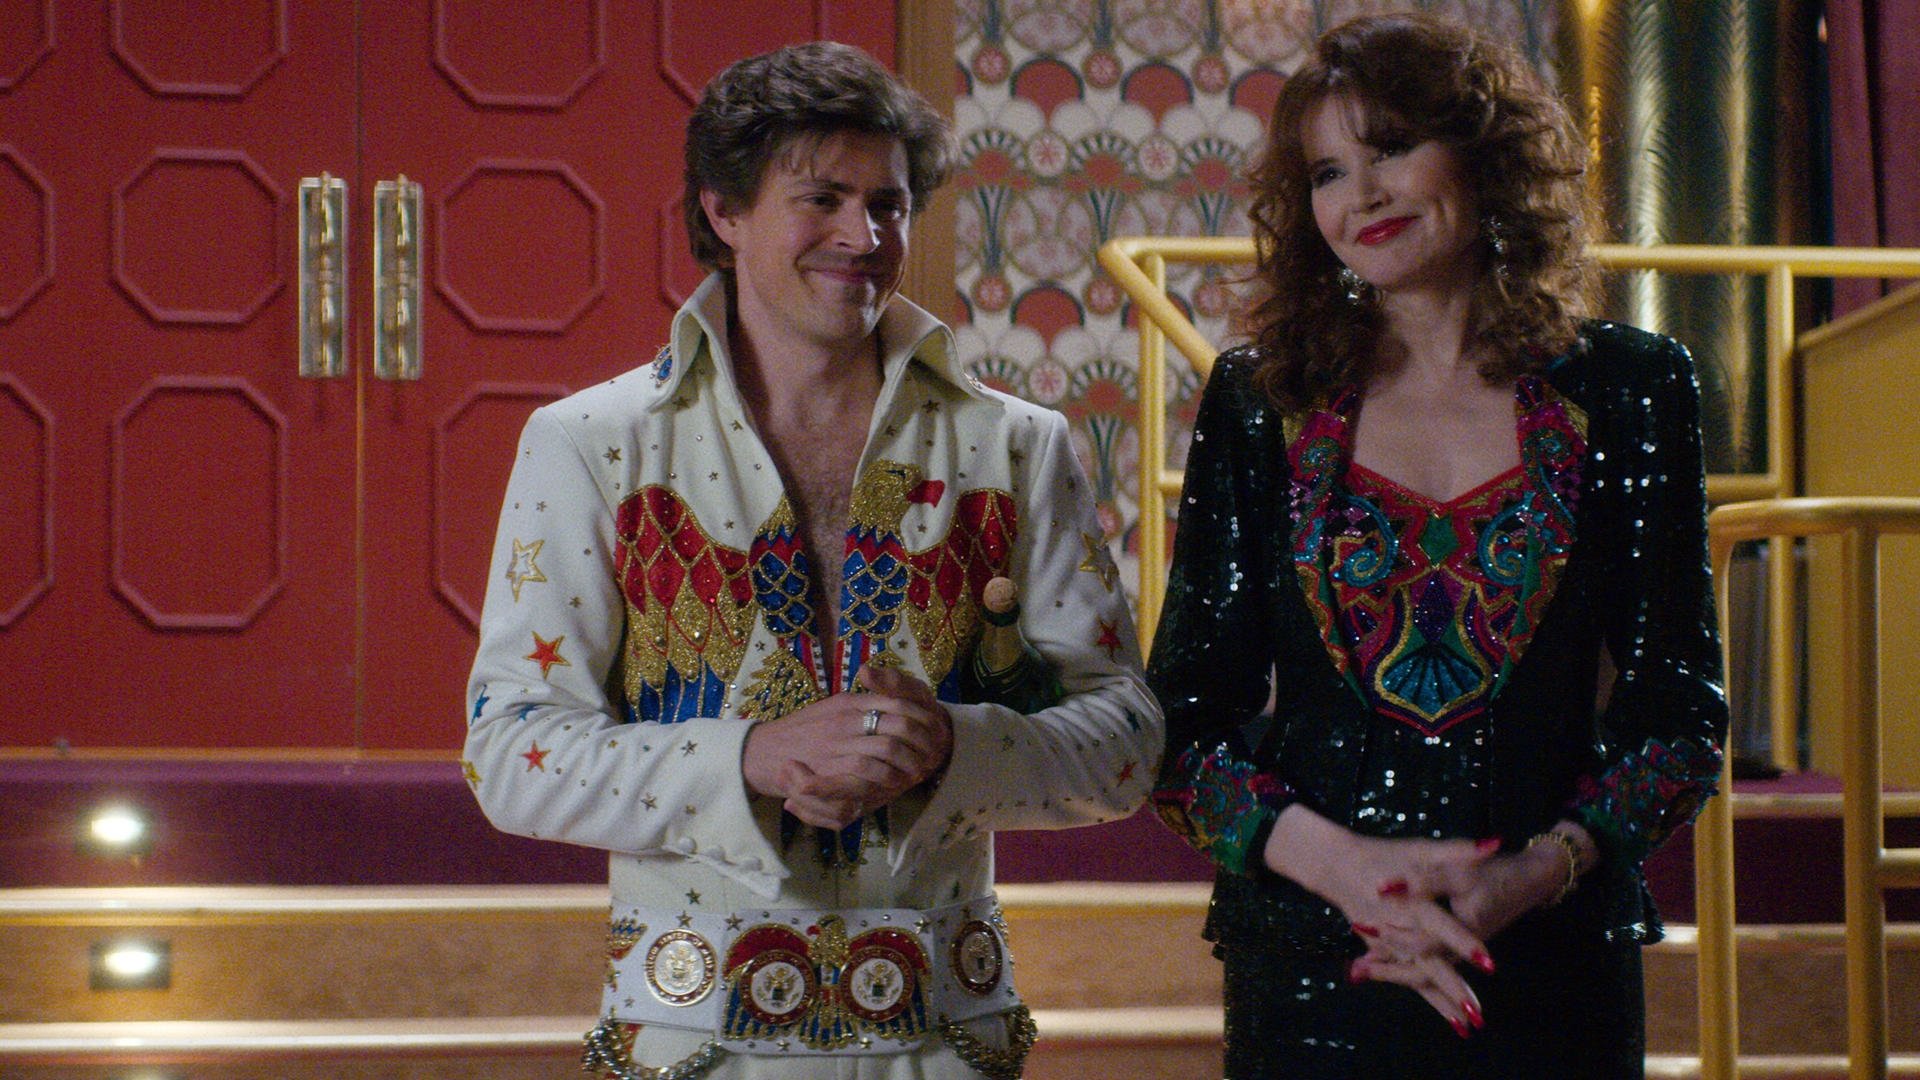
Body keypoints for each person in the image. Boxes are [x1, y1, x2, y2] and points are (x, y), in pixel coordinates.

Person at [462, 41, 1161, 1080]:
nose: (862, 237)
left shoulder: (1016, 445)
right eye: (822, 198)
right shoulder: (591, 444)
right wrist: (748, 759)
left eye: (888, 204)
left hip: (946, 1042)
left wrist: (954, 747)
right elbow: (509, 751)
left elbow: (1128, 741)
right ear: (724, 212)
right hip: (690, 1046)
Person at [1147, 13, 1728, 1079]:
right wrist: (1348, 872)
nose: (1361, 195)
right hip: (1316, 961)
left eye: (1392, 148)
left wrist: (1532, 873)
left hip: (1553, 953)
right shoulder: (1261, 400)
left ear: (1483, 153)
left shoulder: (1634, 390)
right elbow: (1180, 733)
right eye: (1327, 172)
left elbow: (1681, 723)